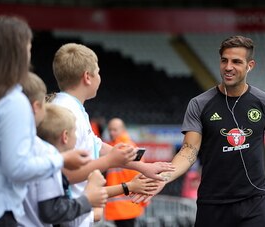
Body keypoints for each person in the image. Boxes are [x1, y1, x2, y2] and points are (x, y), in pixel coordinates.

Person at [132, 36, 265, 227]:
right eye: (224, 60)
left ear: (250, 65)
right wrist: (164, 177)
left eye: (236, 62)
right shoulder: (199, 104)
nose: (228, 67)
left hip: (255, 203)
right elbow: (189, 150)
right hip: (212, 204)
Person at [0, 16, 89, 227]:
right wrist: (62, 160)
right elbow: (17, 167)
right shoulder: (11, 101)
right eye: (29, 48)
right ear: (18, 54)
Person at [51, 43, 174, 226]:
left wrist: (142, 167)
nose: (100, 77)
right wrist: (113, 164)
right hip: (69, 218)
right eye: (98, 72)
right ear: (87, 77)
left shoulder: (72, 108)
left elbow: (98, 145)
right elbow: (64, 174)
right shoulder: (67, 113)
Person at [17, 72, 107, 227]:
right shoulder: (44, 153)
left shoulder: (16, 145)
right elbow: (53, 211)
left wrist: (127, 188)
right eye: (75, 131)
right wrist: (88, 199)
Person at [104, 118, 147, 227]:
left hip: (125, 204)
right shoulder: (126, 146)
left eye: (115, 130)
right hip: (125, 203)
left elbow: (141, 175)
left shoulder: (125, 148)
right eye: (110, 130)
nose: (111, 133)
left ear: (122, 130)